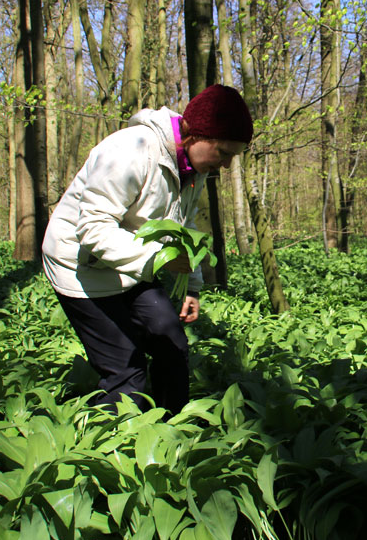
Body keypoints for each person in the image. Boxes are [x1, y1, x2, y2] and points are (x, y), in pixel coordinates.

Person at [42, 84, 252, 415]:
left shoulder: (190, 170)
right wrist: (162, 260)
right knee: (127, 373)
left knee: (173, 343)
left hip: (133, 266)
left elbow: (186, 232)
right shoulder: (131, 150)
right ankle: (112, 452)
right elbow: (94, 231)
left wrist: (192, 287)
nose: (225, 165)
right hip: (82, 268)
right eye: (224, 152)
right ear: (196, 134)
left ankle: (173, 433)